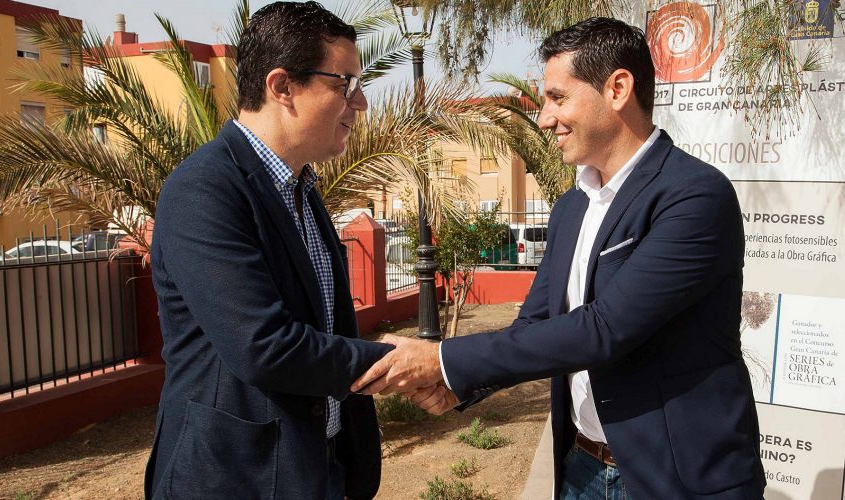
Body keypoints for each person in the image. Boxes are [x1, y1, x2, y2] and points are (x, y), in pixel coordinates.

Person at [353, 17, 766, 500]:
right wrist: (461, 384)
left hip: (675, 479)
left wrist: (442, 359)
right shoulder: (572, 206)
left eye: (557, 97)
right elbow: (535, 323)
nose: (545, 118)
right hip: (581, 468)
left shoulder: (694, 195)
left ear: (617, 89)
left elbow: (603, 329)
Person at [145, 2, 392, 499]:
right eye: (345, 84)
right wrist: (398, 363)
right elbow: (264, 347)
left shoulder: (301, 188)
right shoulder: (205, 189)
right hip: (237, 479)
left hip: (318, 471)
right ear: (282, 87)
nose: (360, 102)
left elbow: (325, 325)